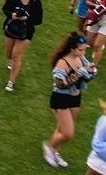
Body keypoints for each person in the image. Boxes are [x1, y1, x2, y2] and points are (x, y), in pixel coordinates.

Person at [43, 32, 97, 168]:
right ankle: (49, 147)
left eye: (85, 49)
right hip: (61, 100)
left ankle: (54, 152)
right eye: (80, 49)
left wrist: (90, 72)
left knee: (61, 129)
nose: (83, 52)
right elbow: (61, 83)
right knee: (68, 133)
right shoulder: (62, 62)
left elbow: (85, 78)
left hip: (75, 98)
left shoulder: (81, 58)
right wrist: (81, 72)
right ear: (72, 48)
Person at [2, 0, 44, 91]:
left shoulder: (36, 2)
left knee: (16, 55)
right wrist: (12, 15)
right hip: (11, 28)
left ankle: (11, 82)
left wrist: (26, 19)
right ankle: (10, 60)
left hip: (26, 32)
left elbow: (39, 20)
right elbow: (5, 9)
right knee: (9, 53)